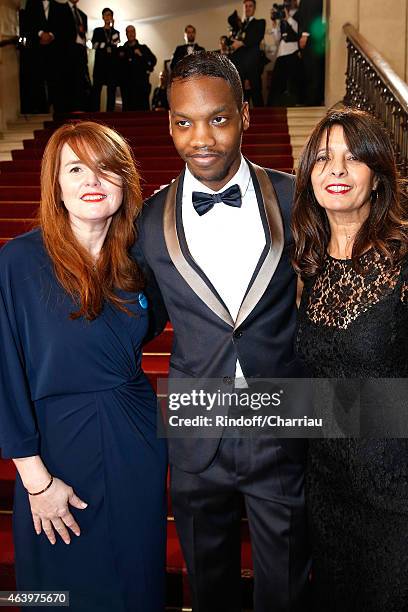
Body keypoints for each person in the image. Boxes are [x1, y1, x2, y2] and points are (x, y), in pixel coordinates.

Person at [133, 51, 310, 612]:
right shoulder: (146, 220)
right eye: (183, 122)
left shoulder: (296, 198)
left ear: (246, 115)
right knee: (207, 584)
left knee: (287, 584)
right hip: (196, 426)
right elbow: (143, 314)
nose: (200, 137)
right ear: (168, 123)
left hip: (281, 421)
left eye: (218, 118)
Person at [0, 122, 167, 611]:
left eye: (106, 168)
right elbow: (5, 376)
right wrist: (36, 480)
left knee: (136, 581)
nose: (92, 181)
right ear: (56, 183)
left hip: (134, 440)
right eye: (76, 169)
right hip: (55, 453)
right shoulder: (18, 261)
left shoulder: (139, 259)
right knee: (59, 592)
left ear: (124, 181)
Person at [293, 107, 408, 610]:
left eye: (352, 159)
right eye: (323, 158)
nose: (335, 170)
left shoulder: (402, 265)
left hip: (396, 494)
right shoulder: (304, 267)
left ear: (378, 178)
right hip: (326, 490)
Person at [21, 0, 64, 112]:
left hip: (54, 51)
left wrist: (51, 35)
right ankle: (41, 108)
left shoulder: (59, 6)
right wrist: (40, 34)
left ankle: (56, 107)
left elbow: (62, 26)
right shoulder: (31, 4)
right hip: (37, 50)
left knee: (54, 80)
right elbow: (28, 23)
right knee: (38, 79)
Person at [230, 0, 266, 106]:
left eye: (250, 6)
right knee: (241, 99)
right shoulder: (239, 27)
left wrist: (241, 43)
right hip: (240, 69)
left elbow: (257, 38)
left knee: (257, 95)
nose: (248, 8)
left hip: (253, 66)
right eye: (246, 6)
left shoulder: (260, 22)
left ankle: (263, 121)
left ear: (254, 8)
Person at [58, 0, 91, 111]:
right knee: (68, 80)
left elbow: (83, 35)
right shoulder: (60, 9)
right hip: (67, 51)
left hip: (81, 51)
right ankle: (68, 108)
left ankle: (80, 107)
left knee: (80, 80)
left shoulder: (82, 15)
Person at [267, 0, 301, 106]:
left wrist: (288, 18)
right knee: (276, 83)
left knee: (293, 82)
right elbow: (277, 39)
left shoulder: (299, 14)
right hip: (281, 53)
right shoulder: (282, 16)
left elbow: (298, 30)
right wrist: (274, 24)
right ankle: (273, 106)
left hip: (293, 51)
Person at [119, 25, 157, 111]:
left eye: (132, 31)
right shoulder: (122, 50)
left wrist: (141, 55)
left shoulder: (143, 48)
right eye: (128, 32)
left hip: (141, 87)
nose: (131, 34)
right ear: (126, 34)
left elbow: (153, 60)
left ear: (135, 33)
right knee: (127, 113)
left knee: (143, 113)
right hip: (127, 88)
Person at [295, 0, 325, 105]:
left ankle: (313, 101)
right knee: (310, 72)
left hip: (312, 39)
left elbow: (312, 14)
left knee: (313, 72)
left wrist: (305, 34)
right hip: (311, 39)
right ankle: (311, 100)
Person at [91, 7, 120, 111]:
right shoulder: (97, 30)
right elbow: (94, 46)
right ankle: (95, 112)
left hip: (111, 66)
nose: (108, 17)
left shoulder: (115, 32)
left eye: (110, 15)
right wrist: (108, 44)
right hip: (100, 65)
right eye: (106, 15)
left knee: (111, 91)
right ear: (103, 17)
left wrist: (113, 27)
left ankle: (110, 113)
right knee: (96, 90)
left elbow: (115, 44)